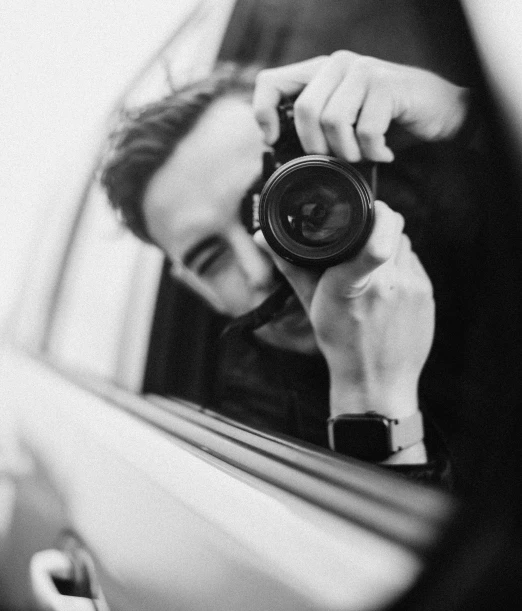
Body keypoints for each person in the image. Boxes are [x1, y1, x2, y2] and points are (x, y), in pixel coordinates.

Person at [100, 51, 474, 486]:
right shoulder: (244, 435)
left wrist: (462, 112)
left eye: (275, 206)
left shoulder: (477, 231)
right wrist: (369, 398)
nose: (259, 267)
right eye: (210, 258)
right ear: (198, 290)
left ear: (341, 174)